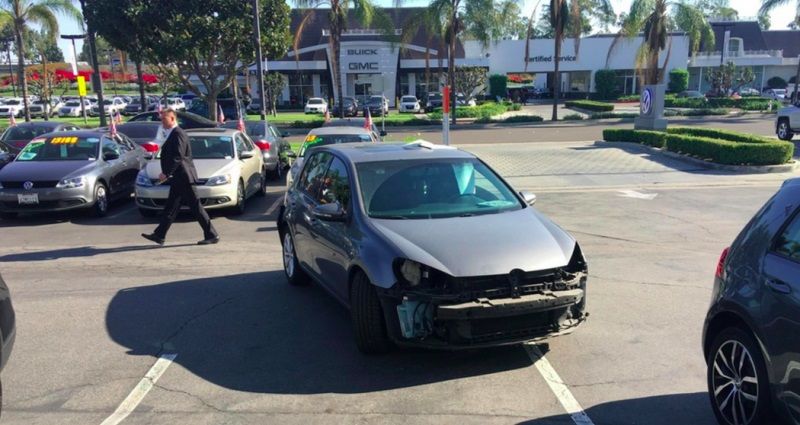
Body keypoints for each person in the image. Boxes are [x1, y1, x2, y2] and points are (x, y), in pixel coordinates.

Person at [142, 109, 219, 246]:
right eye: (161, 119)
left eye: (164, 119)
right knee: (171, 207)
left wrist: (166, 173)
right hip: (179, 177)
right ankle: (159, 235)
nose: (162, 122)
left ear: (172, 119)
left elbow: (178, 156)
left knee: (196, 206)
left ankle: (212, 234)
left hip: (184, 176)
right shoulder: (172, 134)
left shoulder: (178, 134)